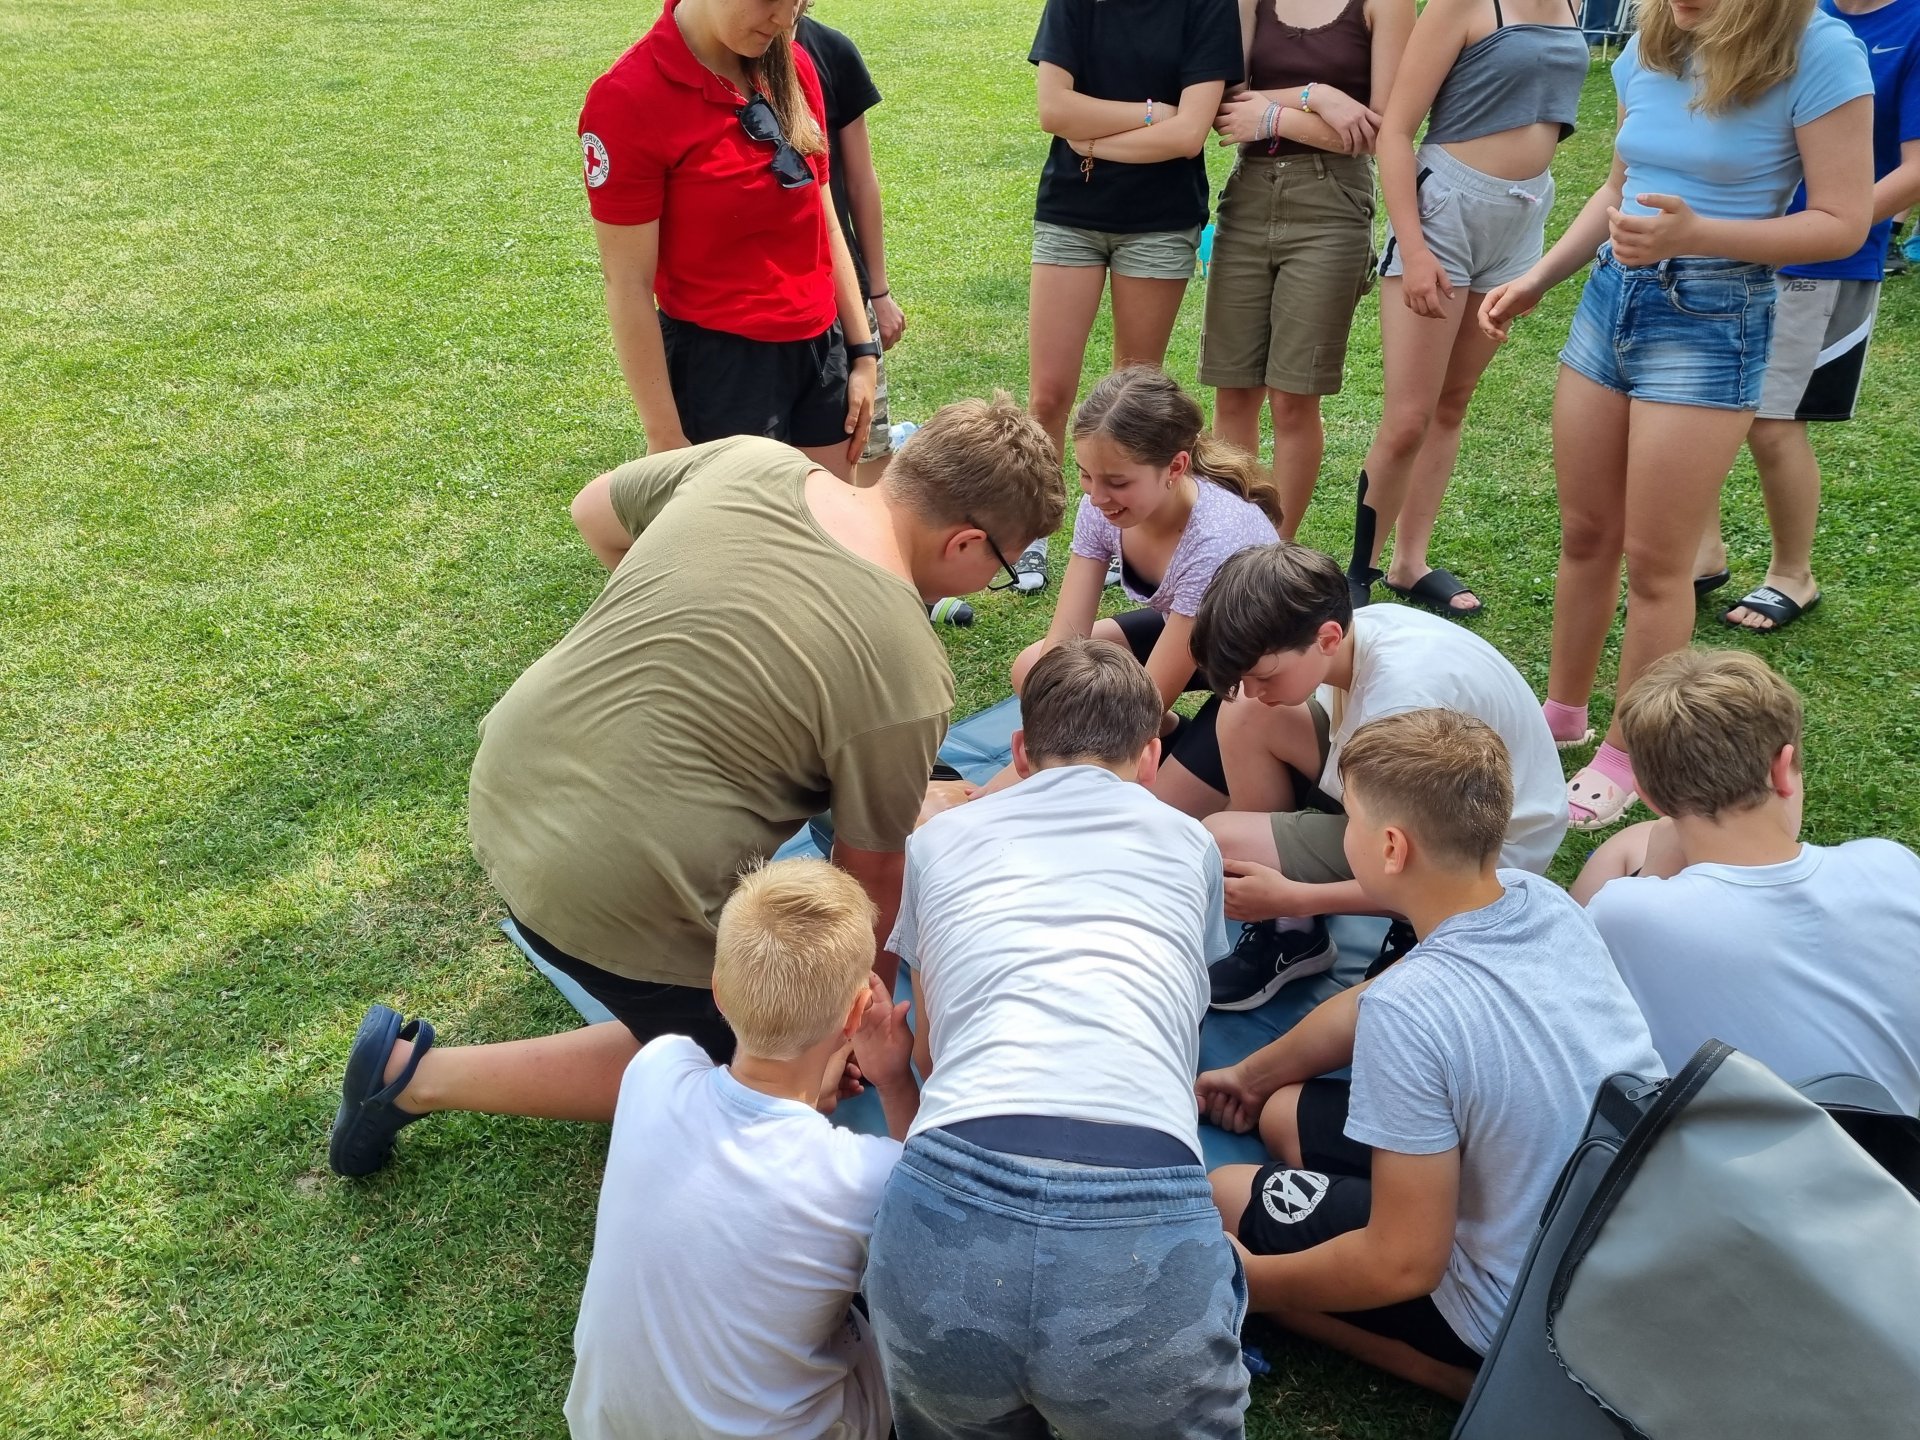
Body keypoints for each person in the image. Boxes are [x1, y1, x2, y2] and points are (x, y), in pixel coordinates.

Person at [326, 398, 1065, 1178]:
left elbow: (594, 511)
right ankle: (413, 1079)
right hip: (596, 879)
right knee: (764, 1059)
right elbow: (869, 878)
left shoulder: (754, 459)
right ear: (966, 542)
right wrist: (837, 1035)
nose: (989, 584)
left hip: (508, 784)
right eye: (1000, 569)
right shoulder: (906, 666)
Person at [1478, 0, 1874, 828]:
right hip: (1611, 299)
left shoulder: (1818, 49)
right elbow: (1616, 189)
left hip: (1715, 314)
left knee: (1659, 562)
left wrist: (1701, 234)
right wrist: (1539, 278)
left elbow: (1843, 222)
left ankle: (1630, 752)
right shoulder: (1653, 40)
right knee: (1586, 532)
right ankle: (1562, 713)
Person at [1200, 709, 1662, 1400]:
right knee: (1282, 1111)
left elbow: (1404, 1264)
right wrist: (1252, 1076)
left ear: (1391, 847)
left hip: (1519, 1306)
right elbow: (1365, 1005)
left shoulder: (1410, 1012)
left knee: (1226, 1195)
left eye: (1349, 820)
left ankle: (1467, 1371)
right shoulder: (1540, 899)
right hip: (1614, 1231)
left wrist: (1252, 1283)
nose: (1342, 833)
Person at [865, 640, 1250, 1439]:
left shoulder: (934, 844)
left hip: (943, 1195)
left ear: (1019, 752)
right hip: (1145, 1206)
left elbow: (932, 1055)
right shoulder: (1192, 844)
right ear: (1150, 760)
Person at [564, 858, 917, 1440]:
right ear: (856, 1013)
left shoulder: (657, 1066)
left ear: (719, 991)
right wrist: (896, 1080)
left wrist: (809, 1099)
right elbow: (935, 1205)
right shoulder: (863, 1176)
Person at [1190, 543, 1566, 1010]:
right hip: (1439, 799)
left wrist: (1297, 897)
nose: (1252, 689)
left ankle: (1413, 929)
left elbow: (1421, 858)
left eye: (1264, 675)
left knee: (1226, 841)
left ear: (1327, 637)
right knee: (1243, 713)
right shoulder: (1360, 631)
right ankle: (1290, 932)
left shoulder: (1402, 701)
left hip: (1485, 859)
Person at [1573, 650, 1920, 1109]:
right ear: (1783, 768)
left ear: (1651, 797)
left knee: (1625, 849)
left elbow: (1582, 1002)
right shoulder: (1892, 864)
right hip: (1895, 1143)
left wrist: (1655, 868)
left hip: (1731, 1153)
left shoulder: (1623, 912)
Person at [1343, 0, 1591, 614]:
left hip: (1521, 215)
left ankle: (1410, 562)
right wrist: (1415, 249)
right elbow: (1396, 131)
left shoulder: (1571, 5)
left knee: (1452, 403)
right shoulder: (1464, 4)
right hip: (1446, 209)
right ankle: (1359, 574)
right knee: (1409, 416)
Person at [580, 0, 880, 479]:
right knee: (745, 528)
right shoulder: (629, 97)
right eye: (770, 0)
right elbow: (627, 285)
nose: (786, 19)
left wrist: (863, 352)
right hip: (721, 371)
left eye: (799, 2)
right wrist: (664, 434)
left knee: (825, 521)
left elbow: (825, 217)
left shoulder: (794, 64)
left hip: (822, 348)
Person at [1697, 0, 1920, 632]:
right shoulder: (1795, 14)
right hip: (1736, 243)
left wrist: (1827, 224)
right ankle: (1702, 554)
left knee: (1773, 423)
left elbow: (1917, 169)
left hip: (1823, 262)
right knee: (1699, 400)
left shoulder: (1911, 26)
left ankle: (1792, 574)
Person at [1016, 0, 1244, 589]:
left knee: (1133, 395)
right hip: (1070, 212)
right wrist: (1149, 114)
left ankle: (1126, 534)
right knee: (1048, 393)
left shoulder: (1207, 7)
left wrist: (1090, 142)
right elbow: (1053, 110)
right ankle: (1033, 532)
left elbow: (1189, 135)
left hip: (1160, 221)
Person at [999, 366, 1280, 816]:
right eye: (1085, 475)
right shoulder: (1101, 506)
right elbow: (1063, 644)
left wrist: (1011, 791)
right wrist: (1022, 772)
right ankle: (1177, 737)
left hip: (1255, 676)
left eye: (1117, 482)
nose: (1097, 496)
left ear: (1175, 467)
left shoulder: (1215, 539)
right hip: (1192, 638)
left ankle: (1235, 757)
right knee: (1036, 670)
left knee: (1141, 809)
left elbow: (1146, 701)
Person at [1201, 0, 1415, 539]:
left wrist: (1272, 115)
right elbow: (1229, 105)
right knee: (1234, 390)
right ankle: (1231, 545)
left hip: (1332, 201)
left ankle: (1275, 552)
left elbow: (1380, 130)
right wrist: (1316, 97)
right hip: (1249, 195)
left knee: (1294, 398)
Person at [795, 4, 910, 483]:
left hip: (841, 287)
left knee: (868, 443)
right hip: (774, 301)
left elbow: (860, 182)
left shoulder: (830, 51)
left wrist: (877, 291)